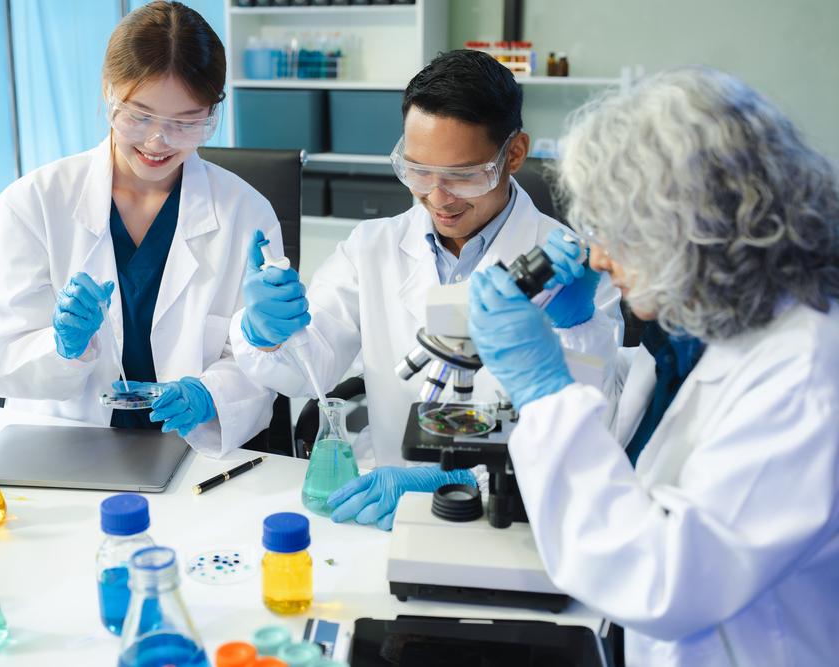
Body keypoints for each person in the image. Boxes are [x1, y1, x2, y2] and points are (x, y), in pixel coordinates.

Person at [468, 67, 839, 665]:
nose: (597, 254)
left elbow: (660, 577)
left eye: (617, 232)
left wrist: (542, 391)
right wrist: (571, 331)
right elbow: (627, 448)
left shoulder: (806, 375)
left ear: (693, 229)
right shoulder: (726, 328)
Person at [230, 50, 623, 529]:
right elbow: (305, 371)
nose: (438, 197)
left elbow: (593, 431)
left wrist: (579, 326)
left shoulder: (572, 269)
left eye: (461, 175)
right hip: (388, 506)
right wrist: (266, 330)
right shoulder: (370, 249)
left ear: (514, 154)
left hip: (523, 514)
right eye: (418, 171)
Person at [0, 2, 281, 455]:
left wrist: (210, 394)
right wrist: (64, 349)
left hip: (193, 456)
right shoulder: (33, 203)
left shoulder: (246, 214)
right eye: (139, 116)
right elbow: (1, 362)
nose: (158, 142)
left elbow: (260, 362)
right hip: (62, 449)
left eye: (185, 122)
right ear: (108, 92)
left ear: (211, 113)